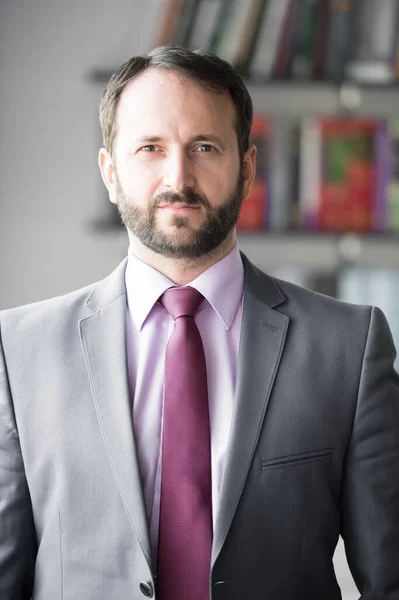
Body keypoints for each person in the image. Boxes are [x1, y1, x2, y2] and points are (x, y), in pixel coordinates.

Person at [0, 44, 398, 600]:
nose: (178, 177)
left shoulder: (348, 348)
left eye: (205, 146)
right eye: (150, 148)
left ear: (247, 167)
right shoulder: (19, 350)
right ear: (110, 172)